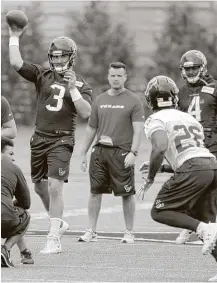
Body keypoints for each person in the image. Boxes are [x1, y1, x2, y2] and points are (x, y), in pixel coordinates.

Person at [8, 22, 92, 254]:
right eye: (54, 57)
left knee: (55, 186)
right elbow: (16, 63)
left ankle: (53, 236)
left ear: (71, 57)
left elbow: (86, 113)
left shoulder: (82, 83)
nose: (57, 61)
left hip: (62, 139)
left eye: (61, 57)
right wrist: (14, 36)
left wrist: (73, 88)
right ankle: (59, 221)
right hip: (39, 138)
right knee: (39, 186)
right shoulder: (42, 74)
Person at [138, 75, 217, 282]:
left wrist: (151, 178)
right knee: (205, 222)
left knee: (160, 211)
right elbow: (190, 153)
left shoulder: (155, 119)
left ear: (150, 100)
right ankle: (206, 228)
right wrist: (164, 166)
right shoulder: (189, 118)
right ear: (174, 98)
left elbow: (160, 146)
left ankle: (204, 228)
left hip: (194, 168)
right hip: (210, 165)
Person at [78, 62, 144, 243]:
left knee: (127, 193)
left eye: (119, 76)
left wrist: (134, 152)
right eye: (113, 75)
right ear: (109, 77)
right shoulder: (99, 100)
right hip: (100, 152)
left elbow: (138, 130)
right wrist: (83, 153)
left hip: (122, 153)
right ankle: (91, 230)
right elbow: (91, 129)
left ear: (125, 77)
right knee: (94, 191)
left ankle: (129, 232)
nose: (116, 79)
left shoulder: (133, 100)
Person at [176, 50, 217, 245]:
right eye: (188, 68)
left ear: (202, 68)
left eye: (194, 68)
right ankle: (193, 226)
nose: (191, 72)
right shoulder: (181, 92)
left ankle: (205, 228)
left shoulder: (214, 88)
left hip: (212, 143)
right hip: (190, 145)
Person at [1, 96, 34, 265]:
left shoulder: (1, 101)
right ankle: (18, 251)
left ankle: (24, 251)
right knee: (16, 210)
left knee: (9, 206)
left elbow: (12, 131)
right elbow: (25, 202)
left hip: (2, 157)